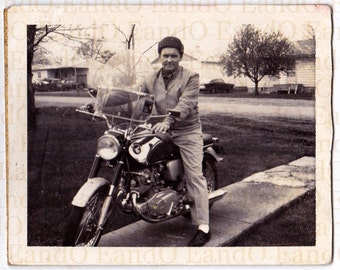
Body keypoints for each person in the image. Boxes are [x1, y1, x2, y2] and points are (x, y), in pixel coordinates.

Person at [141, 36, 210, 247]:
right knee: (139, 155)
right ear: (159, 57)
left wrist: (169, 120)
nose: (169, 59)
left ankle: (203, 227)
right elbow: (135, 97)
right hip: (161, 129)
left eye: (173, 55)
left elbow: (186, 102)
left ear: (180, 56)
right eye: (165, 55)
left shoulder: (191, 76)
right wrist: (102, 99)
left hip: (186, 130)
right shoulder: (151, 78)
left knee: (194, 176)